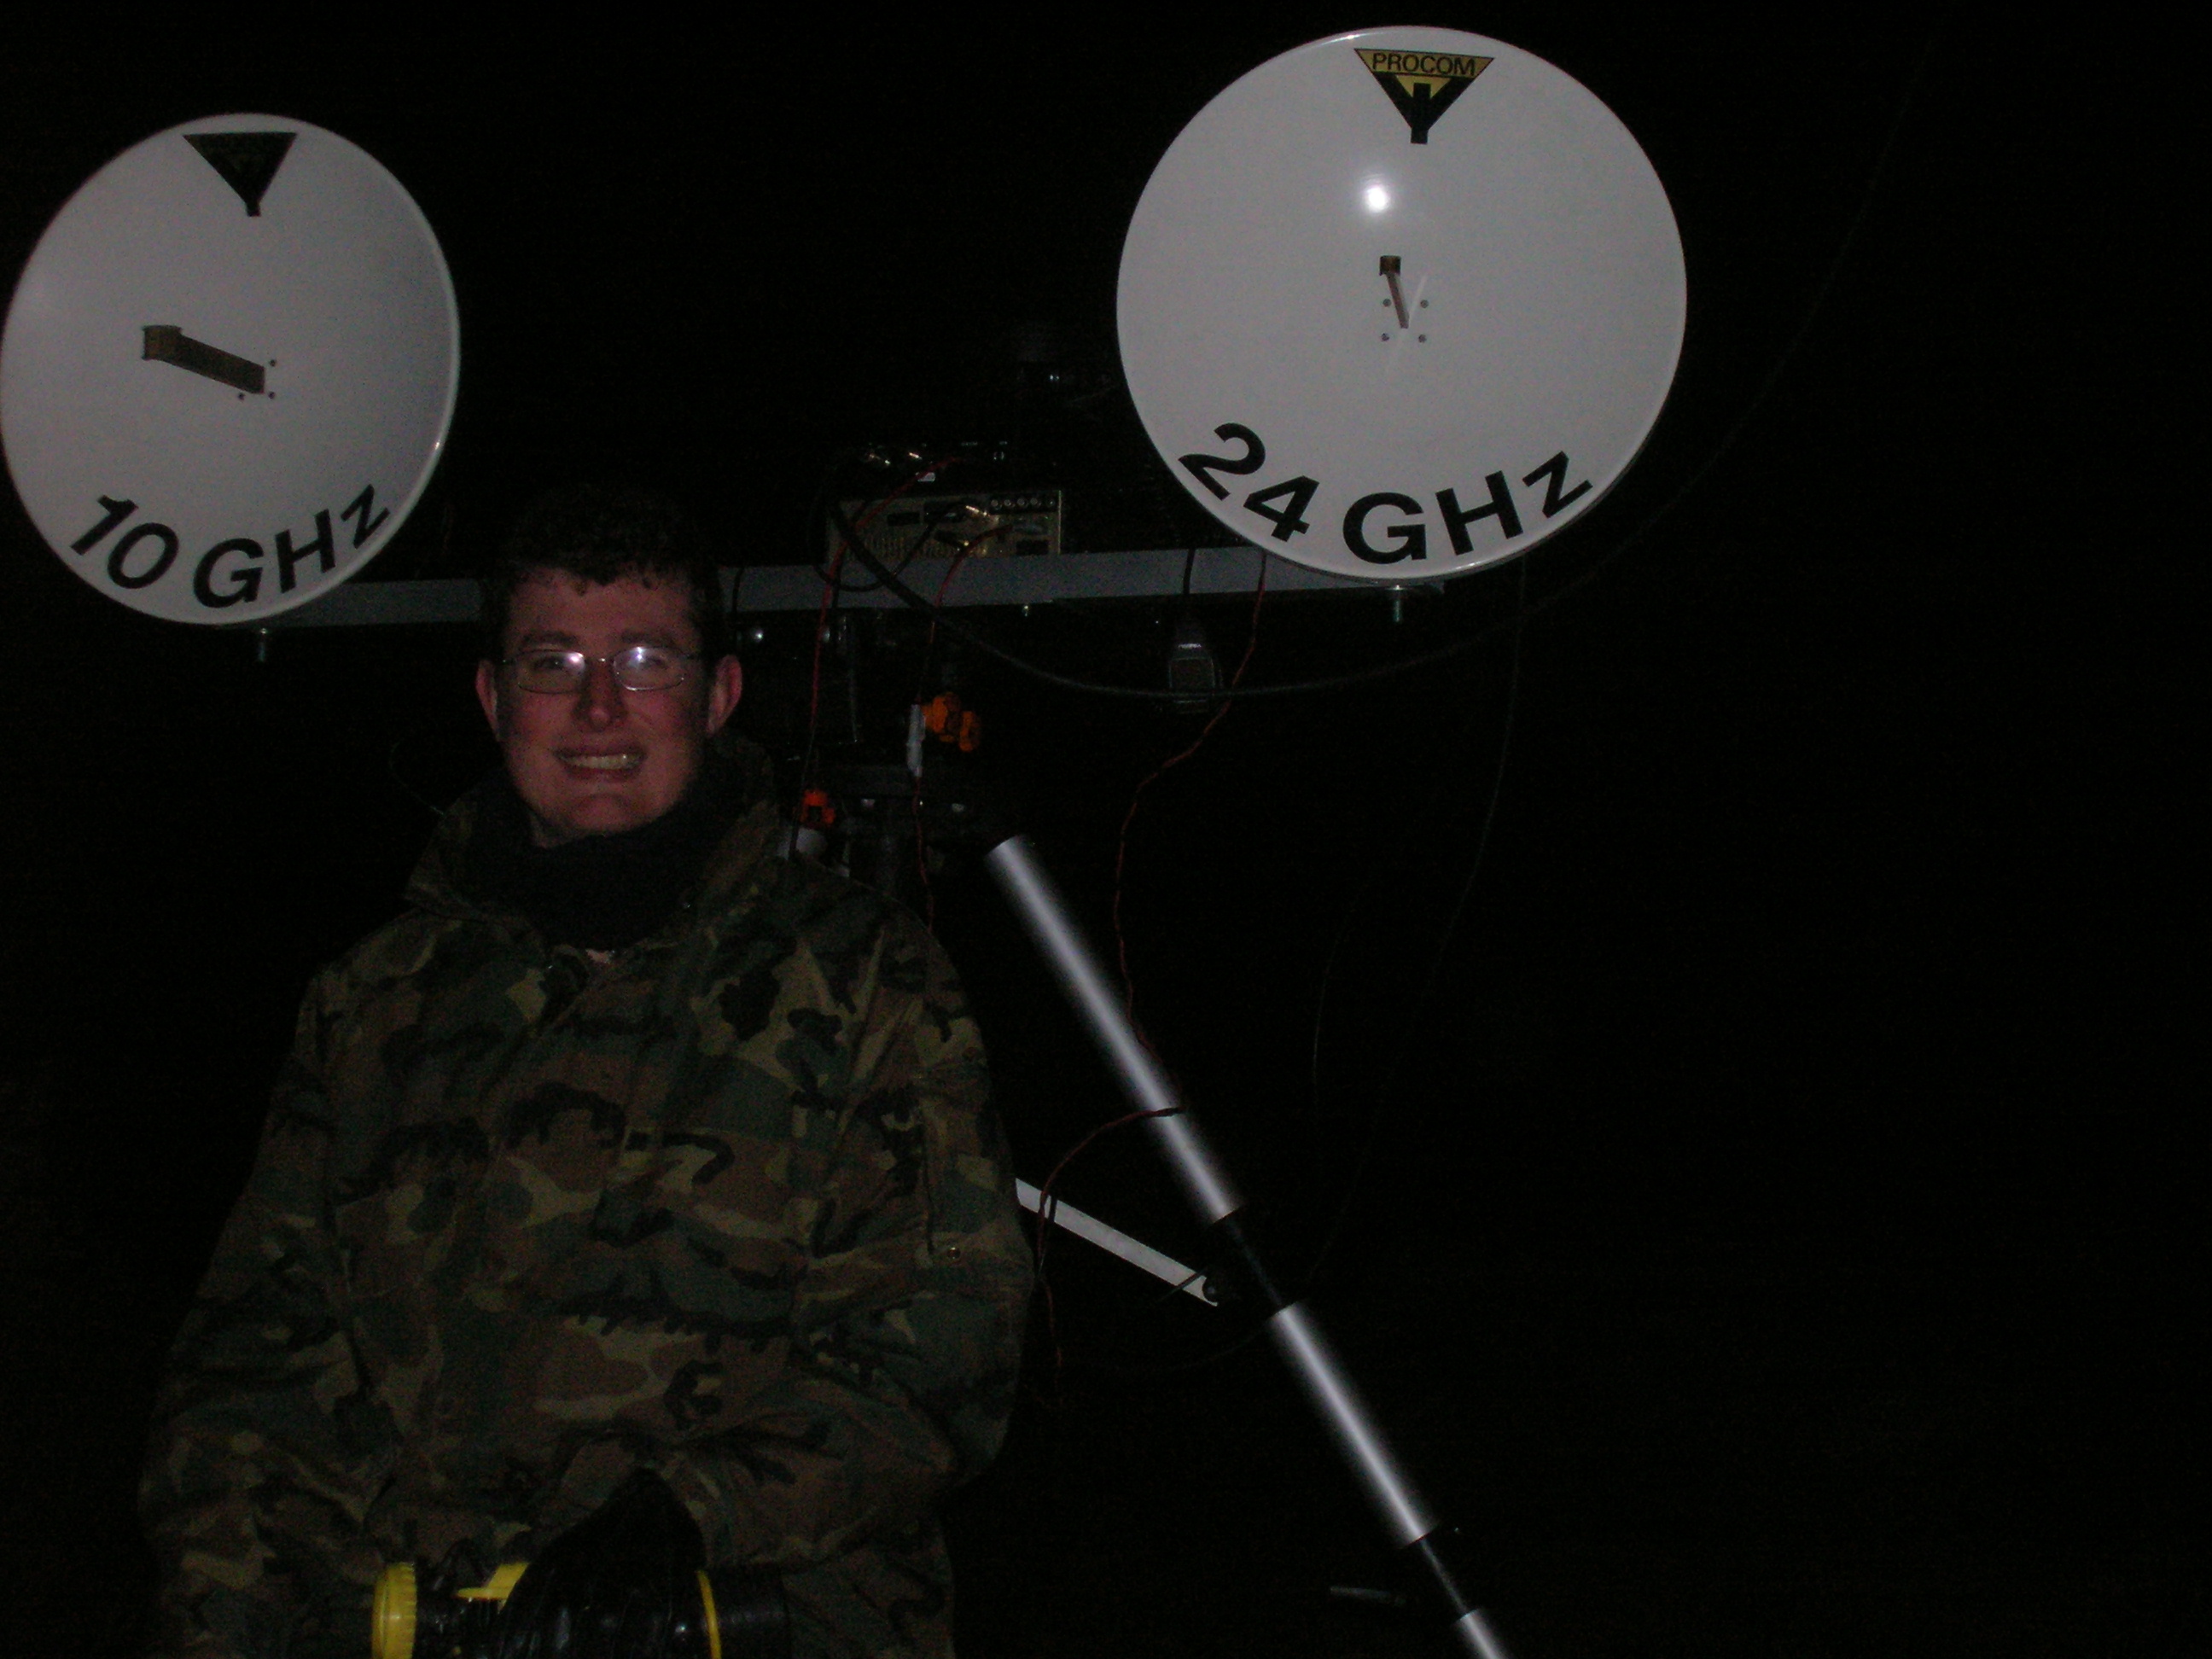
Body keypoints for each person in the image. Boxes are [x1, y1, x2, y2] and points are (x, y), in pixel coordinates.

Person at [140, 486, 1032, 1658]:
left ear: (719, 695)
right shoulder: (371, 1003)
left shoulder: (867, 980)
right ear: (491, 697)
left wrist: (691, 1516)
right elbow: (252, 1380)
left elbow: (945, 1346)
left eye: (646, 661)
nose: (599, 706)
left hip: (755, 1610)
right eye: (552, 663)